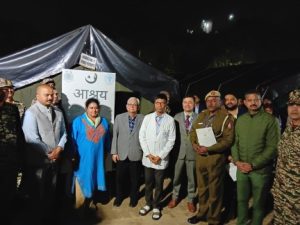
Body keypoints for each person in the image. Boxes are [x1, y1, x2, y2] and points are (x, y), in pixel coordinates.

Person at [231, 90, 280, 225]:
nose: (253, 102)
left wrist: (253, 164)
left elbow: (273, 147)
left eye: (256, 100)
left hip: (260, 171)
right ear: (245, 103)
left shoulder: (271, 120)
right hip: (241, 169)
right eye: (250, 100)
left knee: (258, 204)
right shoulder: (241, 120)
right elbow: (235, 142)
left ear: (260, 101)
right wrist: (237, 161)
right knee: (241, 201)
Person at [188, 90, 235, 225]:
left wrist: (209, 148)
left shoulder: (226, 117)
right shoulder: (202, 115)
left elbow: (228, 140)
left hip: (215, 158)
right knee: (202, 188)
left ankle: (213, 219)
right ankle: (202, 213)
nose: (211, 103)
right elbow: (193, 131)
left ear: (220, 102)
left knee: (215, 190)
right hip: (200, 157)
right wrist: (194, 144)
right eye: (208, 100)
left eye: (214, 100)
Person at [22, 84, 67, 224]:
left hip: (54, 161)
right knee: (37, 194)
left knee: (51, 192)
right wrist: (49, 153)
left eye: (51, 94)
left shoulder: (58, 112)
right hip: (39, 163)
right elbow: (31, 138)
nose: (50, 97)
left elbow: (64, 133)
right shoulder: (31, 113)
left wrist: (59, 148)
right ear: (37, 96)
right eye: (46, 95)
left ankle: (49, 218)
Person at [138, 94, 176, 220]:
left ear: (166, 105)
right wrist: (148, 154)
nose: (159, 105)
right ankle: (148, 203)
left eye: (162, 103)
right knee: (148, 182)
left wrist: (160, 156)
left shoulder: (170, 120)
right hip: (148, 157)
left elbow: (171, 140)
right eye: (157, 102)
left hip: (161, 159)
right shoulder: (147, 118)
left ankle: (156, 206)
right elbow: (141, 136)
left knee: (159, 183)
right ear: (154, 104)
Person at [71, 98, 110, 214]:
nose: (94, 110)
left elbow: (107, 140)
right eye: (91, 108)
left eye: (96, 108)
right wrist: (73, 156)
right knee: (82, 180)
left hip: (98, 160)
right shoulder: (78, 121)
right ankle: (80, 209)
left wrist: (106, 153)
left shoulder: (104, 122)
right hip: (82, 160)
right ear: (86, 109)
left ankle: (91, 203)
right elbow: (72, 140)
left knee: (94, 179)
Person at [272, 89, 300, 225]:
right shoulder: (289, 127)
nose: (294, 108)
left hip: (296, 197)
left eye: (299, 105)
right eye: (291, 105)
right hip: (281, 192)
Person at [111, 97, 144, 207]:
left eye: (134, 105)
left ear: (138, 107)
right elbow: (115, 135)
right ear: (126, 106)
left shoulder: (143, 119)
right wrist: (114, 152)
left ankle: (133, 198)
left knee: (135, 179)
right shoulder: (119, 118)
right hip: (121, 154)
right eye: (130, 104)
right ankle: (119, 198)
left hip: (136, 153)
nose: (132, 106)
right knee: (119, 179)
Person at [168, 95, 197, 213]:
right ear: (182, 104)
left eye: (190, 102)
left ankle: (191, 200)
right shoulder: (176, 117)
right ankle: (174, 197)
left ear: (194, 104)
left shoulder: (200, 117)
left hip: (193, 153)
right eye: (185, 102)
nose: (187, 104)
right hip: (178, 153)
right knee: (176, 177)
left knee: (192, 179)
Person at [0, 78, 24, 223]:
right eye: (4, 89)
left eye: (9, 88)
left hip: (10, 161)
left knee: (9, 193)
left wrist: (21, 156)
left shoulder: (12, 109)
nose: (7, 92)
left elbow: (19, 135)